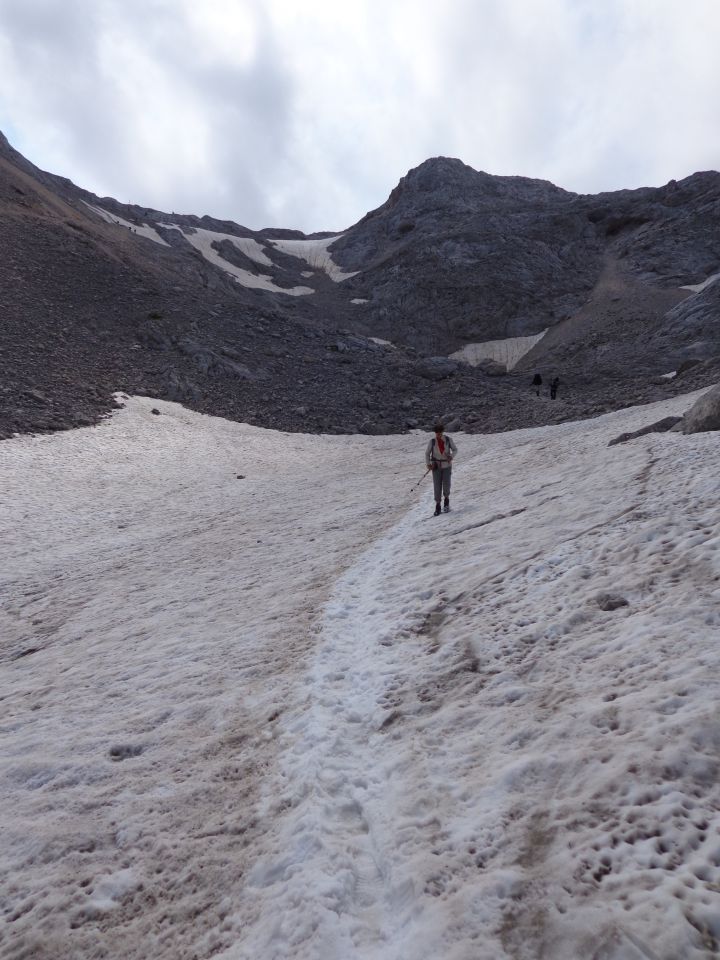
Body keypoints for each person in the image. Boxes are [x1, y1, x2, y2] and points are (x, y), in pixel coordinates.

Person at [425, 422, 457, 515]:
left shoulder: (448, 440)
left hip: (447, 466)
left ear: (442, 432)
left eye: (440, 433)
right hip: (436, 467)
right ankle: (438, 506)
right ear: (435, 433)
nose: (439, 434)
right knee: (437, 486)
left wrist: (451, 456)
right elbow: (427, 454)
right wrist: (428, 464)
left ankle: (446, 502)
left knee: (446, 484)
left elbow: (455, 449)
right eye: (437, 433)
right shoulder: (432, 442)